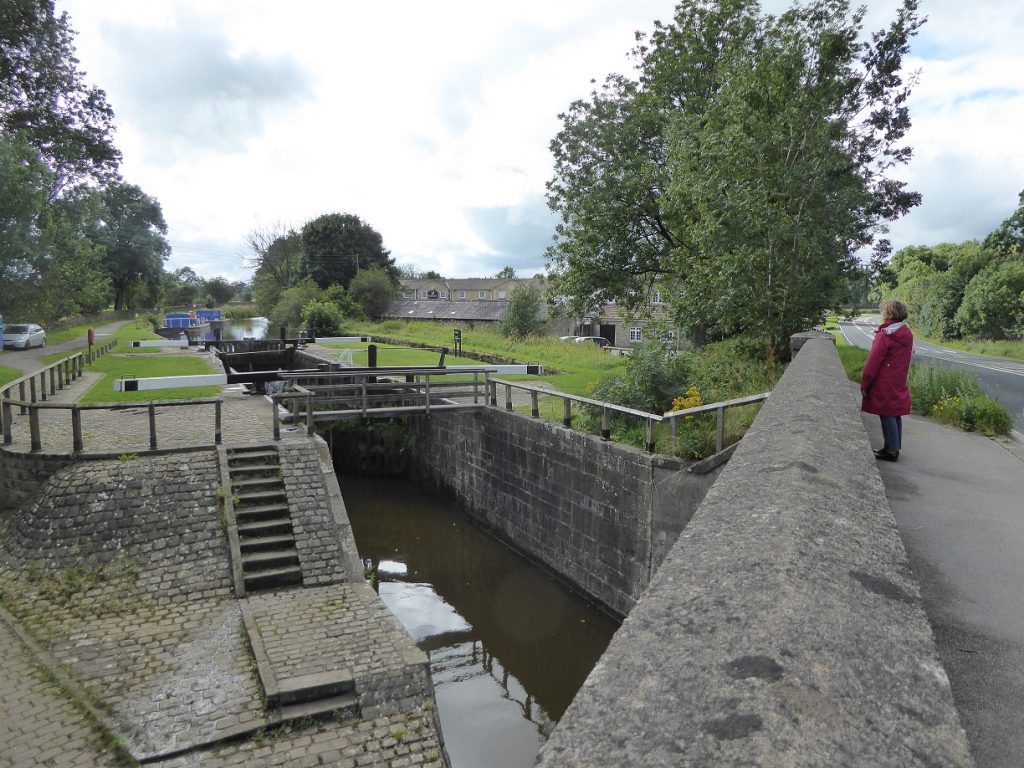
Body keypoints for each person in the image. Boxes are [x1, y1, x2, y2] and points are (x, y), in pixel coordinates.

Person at [861, 299, 913, 461]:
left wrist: (866, 382)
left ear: (888, 313)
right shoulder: (905, 333)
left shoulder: (886, 334)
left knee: (886, 414)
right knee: (893, 414)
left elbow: (873, 361)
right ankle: (894, 447)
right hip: (898, 378)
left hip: (884, 380)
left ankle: (890, 450)